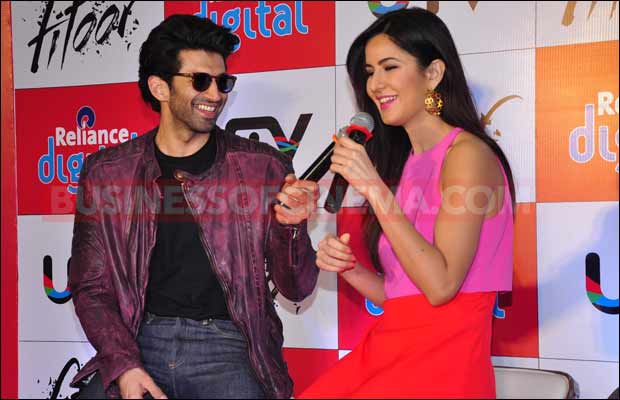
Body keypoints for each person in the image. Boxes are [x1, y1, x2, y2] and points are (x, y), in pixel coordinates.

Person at [68, 14, 319, 399]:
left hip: (230, 346)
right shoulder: (108, 172)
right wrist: (124, 365)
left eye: (223, 82)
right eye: (201, 81)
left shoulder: (263, 167)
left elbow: (297, 288)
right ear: (159, 87)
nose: (216, 94)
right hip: (138, 339)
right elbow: (90, 287)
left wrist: (292, 227)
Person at [300, 7, 515, 399]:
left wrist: (374, 188)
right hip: (393, 350)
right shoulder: (411, 162)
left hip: (441, 368)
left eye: (390, 67)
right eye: (369, 72)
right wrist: (351, 270)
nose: (375, 84)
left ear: (433, 73)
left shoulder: (467, 154)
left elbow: (441, 286)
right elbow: (404, 297)